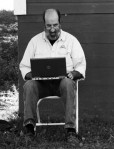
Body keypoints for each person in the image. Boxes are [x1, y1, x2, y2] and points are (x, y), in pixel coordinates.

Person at [19, 8, 86, 144]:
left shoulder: (71, 40)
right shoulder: (34, 41)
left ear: (60, 23)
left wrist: (73, 74)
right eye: (49, 26)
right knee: (29, 85)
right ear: (44, 25)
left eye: (55, 25)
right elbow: (24, 66)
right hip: (41, 85)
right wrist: (32, 75)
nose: (52, 29)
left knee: (68, 83)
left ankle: (71, 131)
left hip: (62, 85)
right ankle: (29, 129)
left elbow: (81, 65)